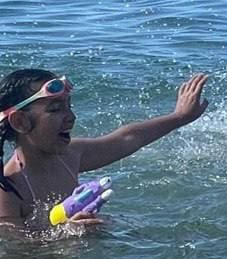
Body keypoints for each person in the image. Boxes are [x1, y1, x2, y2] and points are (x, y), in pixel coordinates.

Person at [0, 69, 209, 231]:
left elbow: (127, 138)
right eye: (55, 109)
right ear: (20, 122)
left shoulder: (70, 155)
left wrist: (179, 117)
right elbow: (16, 249)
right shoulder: (8, 190)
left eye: (69, 106)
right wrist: (65, 234)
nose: (71, 117)